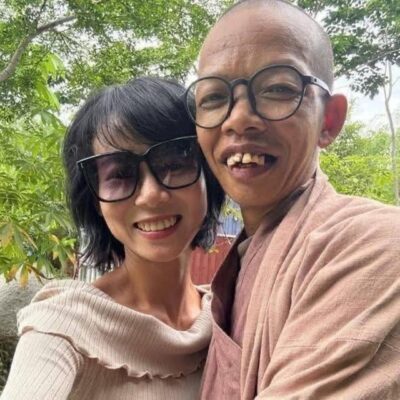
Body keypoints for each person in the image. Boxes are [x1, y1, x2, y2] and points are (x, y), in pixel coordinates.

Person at [184, 0, 400, 398]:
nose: (238, 118)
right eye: (213, 98)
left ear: (329, 120)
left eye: (278, 89)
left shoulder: (373, 244)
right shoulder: (238, 266)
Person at [1, 77, 224, 400]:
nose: (151, 195)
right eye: (120, 174)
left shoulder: (230, 315)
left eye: (174, 164)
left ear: (210, 175)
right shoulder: (64, 326)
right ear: (96, 199)